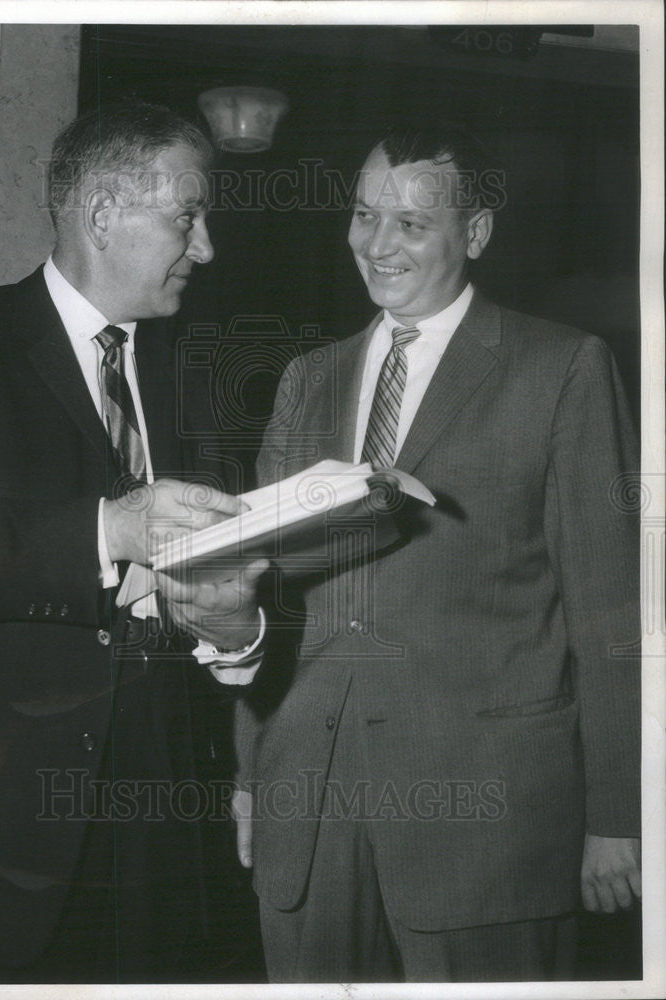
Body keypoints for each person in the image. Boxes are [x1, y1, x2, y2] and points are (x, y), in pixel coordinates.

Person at [233, 122, 641, 982]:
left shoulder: (561, 367)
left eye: (410, 225)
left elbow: (609, 608)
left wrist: (618, 812)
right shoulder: (306, 376)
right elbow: (262, 593)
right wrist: (248, 774)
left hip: (485, 820)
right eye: (361, 215)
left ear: (476, 234)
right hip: (305, 803)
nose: (376, 246)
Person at [0, 100, 265, 984]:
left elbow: (224, 615)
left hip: (155, 860)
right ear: (101, 214)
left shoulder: (193, 377)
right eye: (187, 218)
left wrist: (235, 631)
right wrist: (113, 527)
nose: (204, 248)